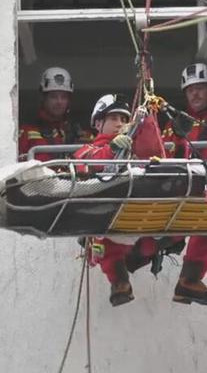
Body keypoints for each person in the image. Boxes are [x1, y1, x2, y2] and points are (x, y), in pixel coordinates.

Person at [127, 63, 207, 306]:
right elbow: (162, 155)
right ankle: (131, 259)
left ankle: (187, 281)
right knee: (169, 230)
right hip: (178, 186)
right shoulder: (176, 123)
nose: (195, 94)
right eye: (190, 90)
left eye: (200, 88)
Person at [73, 94, 140, 306]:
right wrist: (111, 150)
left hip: (138, 215)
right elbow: (86, 164)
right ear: (98, 123)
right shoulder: (88, 150)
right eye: (113, 118)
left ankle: (190, 278)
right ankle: (120, 283)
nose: (120, 123)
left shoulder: (134, 151)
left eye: (123, 119)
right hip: (105, 217)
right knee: (108, 249)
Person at [18, 67, 93, 161]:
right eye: (53, 97)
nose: (59, 102)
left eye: (64, 97)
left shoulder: (84, 135)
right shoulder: (27, 132)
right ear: (43, 98)